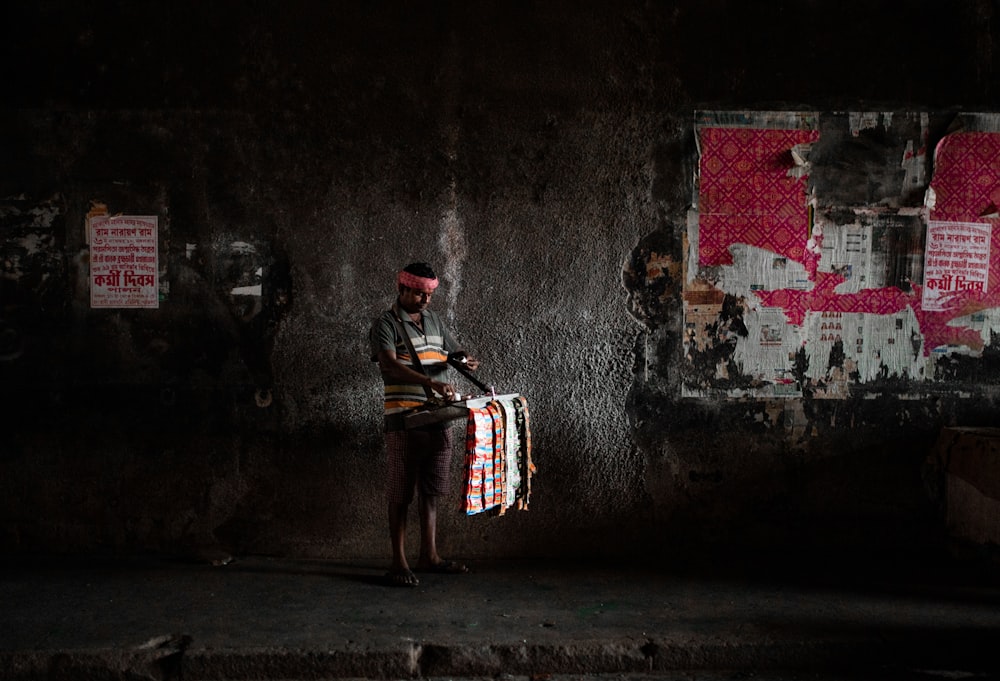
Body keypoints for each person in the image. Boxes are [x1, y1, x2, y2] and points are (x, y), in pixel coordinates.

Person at [369, 262, 480, 587]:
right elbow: (390, 366)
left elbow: (451, 351)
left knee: (432, 489)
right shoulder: (386, 323)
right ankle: (398, 562)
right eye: (419, 294)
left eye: (429, 294)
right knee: (401, 490)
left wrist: (463, 359)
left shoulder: (434, 320)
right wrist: (431, 384)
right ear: (402, 289)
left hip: (439, 416)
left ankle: (429, 556)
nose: (425, 301)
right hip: (404, 417)